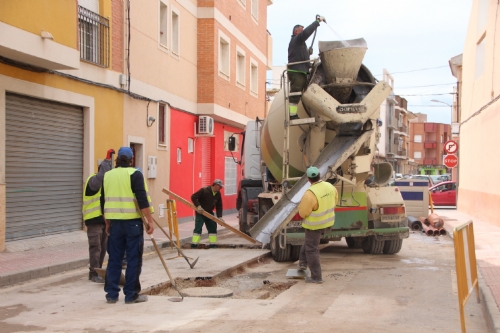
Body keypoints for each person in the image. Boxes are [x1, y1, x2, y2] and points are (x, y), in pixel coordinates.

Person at [102, 146, 155, 304]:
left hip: (115, 224)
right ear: (131, 159)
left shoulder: (108, 175)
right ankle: (131, 295)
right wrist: (150, 221)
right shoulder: (135, 174)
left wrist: (107, 223)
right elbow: (142, 200)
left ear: (117, 159)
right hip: (133, 224)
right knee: (133, 260)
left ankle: (111, 295)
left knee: (114, 260)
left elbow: (103, 201)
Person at [297, 166, 338, 284]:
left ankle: (316, 277)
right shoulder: (330, 187)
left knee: (311, 249)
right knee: (309, 242)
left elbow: (303, 213)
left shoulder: (310, 194)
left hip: (314, 226)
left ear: (308, 179)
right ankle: (303, 263)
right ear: (319, 176)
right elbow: (335, 201)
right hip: (328, 223)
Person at [82, 149, 114, 283]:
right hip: (93, 220)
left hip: (103, 220)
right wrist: (107, 161)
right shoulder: (93, 180)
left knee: (103, 248)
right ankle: (93, 273)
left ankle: (98, 271)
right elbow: (100, 177)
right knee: (96, 247)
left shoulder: (106, 184)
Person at [287, 15, 326, 119]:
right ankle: (292, 115)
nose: (303, 31)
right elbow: (307, 32)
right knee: (296, 92)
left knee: (300, 92)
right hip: (296, 71)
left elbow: (301, 58)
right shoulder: (296, 40)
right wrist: (317, 22)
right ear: (296, 32)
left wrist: (308, 55)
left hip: (301, 71)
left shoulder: (300, 44)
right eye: (301, 30)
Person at [191, 179, 224, 249]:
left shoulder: (218, 194)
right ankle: (194, 244)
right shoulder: (204, 190)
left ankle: (213, 244)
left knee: (212, 227)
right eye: (220, 187)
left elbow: (219, 206)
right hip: (201, 213)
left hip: (209, 213)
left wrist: (220, 217)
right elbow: (193, 197)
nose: (220, 188)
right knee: (198, 228)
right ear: (215, 185)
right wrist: (198, 206)